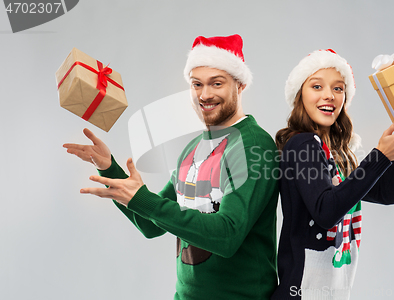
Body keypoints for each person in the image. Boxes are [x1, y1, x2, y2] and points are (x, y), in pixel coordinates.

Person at [63, 34, 279, 300]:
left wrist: (143, 199)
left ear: (241, 85)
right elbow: (151, 224)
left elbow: (227, 235)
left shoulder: (253, 145)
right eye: (196, 84)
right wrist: (109, 168)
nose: (205, 94)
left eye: (217, 83)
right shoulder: (193, 149)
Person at [271, 49, 394, 300]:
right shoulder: (303, 144)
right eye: (317, 86)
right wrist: (380, 155)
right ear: (300, 94)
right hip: (301, 292)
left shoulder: (332, 153)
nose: (328, 96)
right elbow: (326, 211)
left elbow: (387, 194)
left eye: (338, 88)